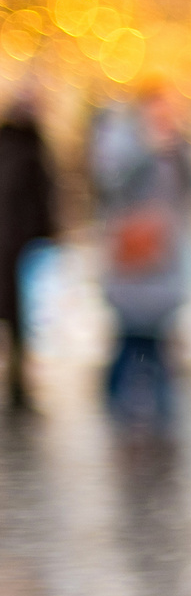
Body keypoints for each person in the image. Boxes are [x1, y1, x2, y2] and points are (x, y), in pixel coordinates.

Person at [91, 84, 191, 427]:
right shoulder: (124, 143)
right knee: (130, 334)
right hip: (133, 255)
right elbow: (112, 184)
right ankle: (120, 402)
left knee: (157, 336)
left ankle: (159, 405)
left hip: (164, 255)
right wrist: (149, 150)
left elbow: (190, 190)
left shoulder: (175, 147)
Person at [0, 93, 56, 409]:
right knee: (21, 318)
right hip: (23, 248)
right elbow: (43, 206)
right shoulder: (33, 155)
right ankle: (18, 383)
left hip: (15, 247)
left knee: (15, 317)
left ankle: (17, 381)